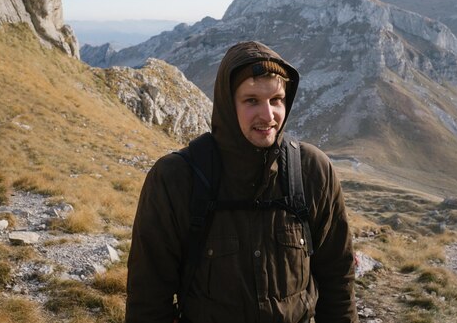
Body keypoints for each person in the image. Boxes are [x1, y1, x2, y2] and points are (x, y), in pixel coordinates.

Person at [126, 41, 358, 323]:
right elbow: (148, 296)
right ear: (227, 104)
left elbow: (337, 279)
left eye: (276, 100)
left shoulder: (313, 170)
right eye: (251, 101)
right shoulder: (175, 178)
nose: (268, 115)